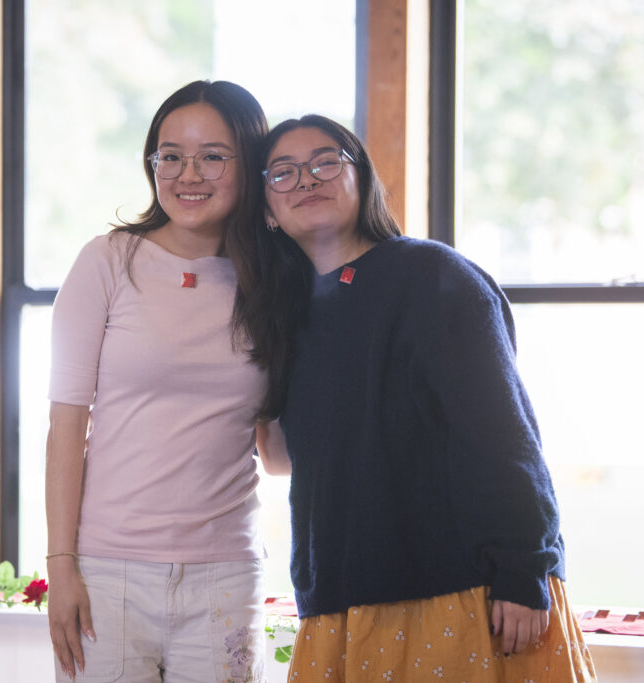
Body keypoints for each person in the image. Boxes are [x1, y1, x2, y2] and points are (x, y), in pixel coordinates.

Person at [230, 114, 598, 681]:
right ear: (266, 211)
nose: (306, 179)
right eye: (283, 172)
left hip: (461, 595)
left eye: (325, 161)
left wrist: (525, 569)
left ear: (362, 178)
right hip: (339, 597)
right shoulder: (287, 315)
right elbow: (281, 459)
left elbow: (502, 433)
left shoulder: (432, 277)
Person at [45, 80, 289, 683]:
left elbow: (278, 454)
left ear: (249, 163)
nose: (188, 175)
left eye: (213, 156)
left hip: (225, 572)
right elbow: (66, 425)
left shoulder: (275, 281)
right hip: (108, 570)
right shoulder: (108, 260)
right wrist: (62, 567)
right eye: (171, 156)